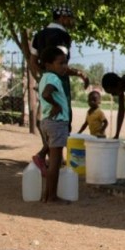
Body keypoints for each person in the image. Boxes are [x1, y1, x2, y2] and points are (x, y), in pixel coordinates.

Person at [29, 5, 90, 172]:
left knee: (48, 120)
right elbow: (60, 64)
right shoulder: (63, 36)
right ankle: (48, 158)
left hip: (45, 82)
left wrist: (42, 78)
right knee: (62, 121)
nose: (71, 22)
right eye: (70, 18)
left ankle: (51, 157)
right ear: (62, 18)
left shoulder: (39, 35)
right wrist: (79, 73)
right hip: (59, 84)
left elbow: (33, 62)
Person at [38, 46, 71, 203]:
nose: (65, 66)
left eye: (65, 63)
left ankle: (47, 194)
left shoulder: (44, 77)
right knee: (55, 163)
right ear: (48, 65)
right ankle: (52, 196)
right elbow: (46, 94)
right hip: (56, 123)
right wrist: (56, 105)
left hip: (47, 122)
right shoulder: (54, 78)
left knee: (53, 161)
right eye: (61, 63)